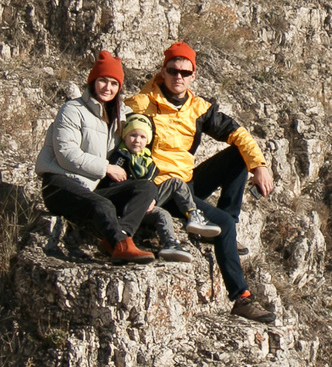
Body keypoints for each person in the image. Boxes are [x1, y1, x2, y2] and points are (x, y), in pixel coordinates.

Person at [128, 41, 278, 322]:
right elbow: (123, 140)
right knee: (221, 224)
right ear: (163, 70)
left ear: (194, 75)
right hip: (162, 188)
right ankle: (241, 298)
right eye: (173, 70)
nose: (178, 77)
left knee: (237, 156)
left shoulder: (197, 107)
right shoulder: (143, 104)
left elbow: (238, 133)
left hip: (187, 182)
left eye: (185, 72)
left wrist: (259, 165)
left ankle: (225, 231)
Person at [35, 51, 155, 263]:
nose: (108, 88)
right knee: (103, 205)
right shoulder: (72, 110)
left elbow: (141, 134)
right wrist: (107, 168)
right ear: (93, 81)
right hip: (60, 183)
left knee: (145, 188)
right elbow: (66, 155)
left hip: (91, 186)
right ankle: (119, 245)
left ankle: (120, 239)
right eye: (102, 81)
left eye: (113, 83)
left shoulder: (119, 117)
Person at [106, 110, 218, 262]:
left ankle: (191, 216)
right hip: (126, 206)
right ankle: (169, 242)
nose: (137, 140)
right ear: (124, 136)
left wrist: (152, 199)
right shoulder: (120, 157)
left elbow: (150, 184)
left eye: (142, 136)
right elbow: (114, 187)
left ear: (148, 141)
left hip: (145, 201)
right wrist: (142, 200)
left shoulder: (148, 162)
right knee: (163, 214)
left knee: (176, 182)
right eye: (132, 135)